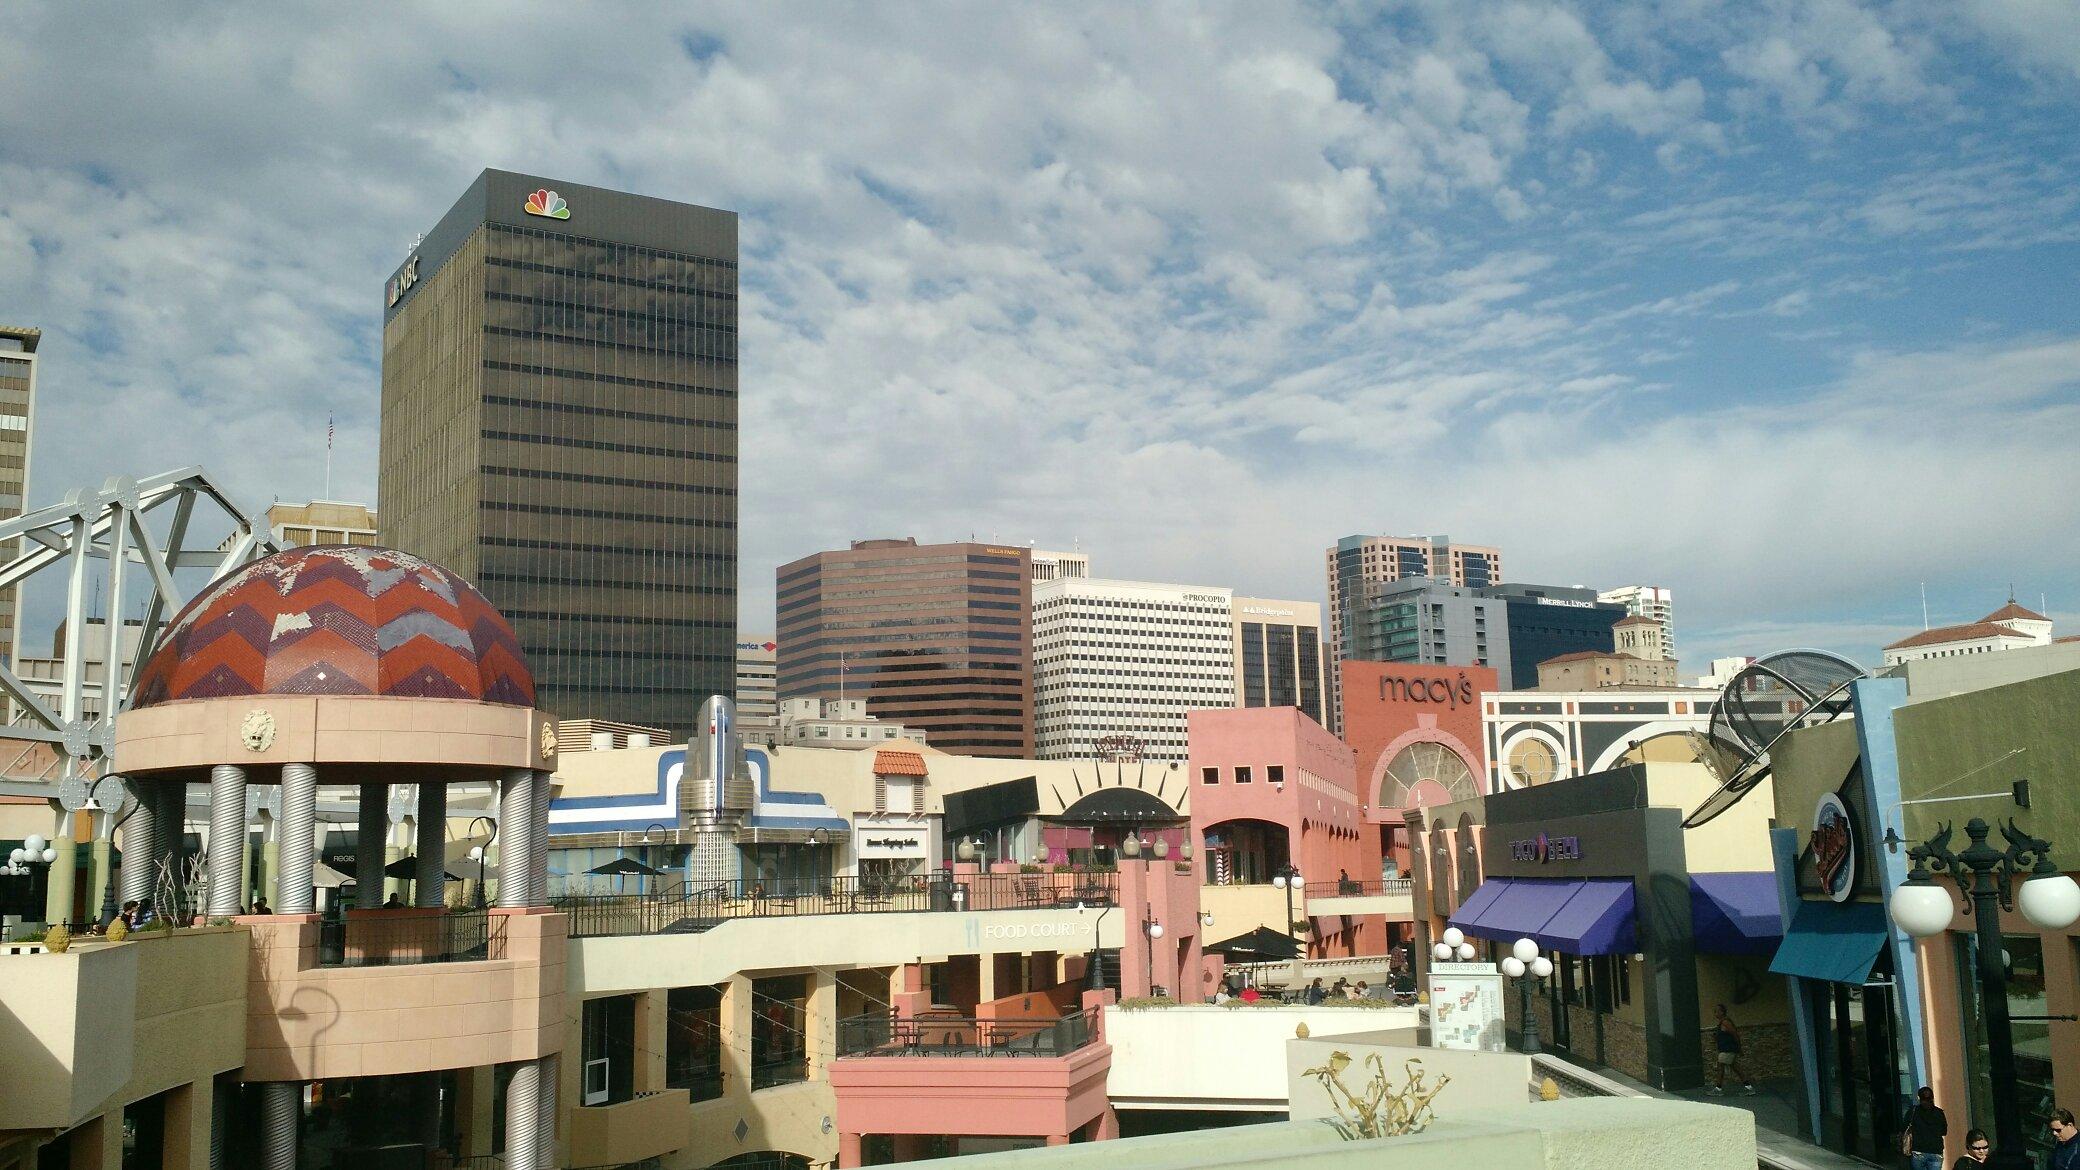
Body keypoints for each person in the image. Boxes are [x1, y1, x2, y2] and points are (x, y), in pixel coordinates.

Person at [1710, 1004, 1756, 1095]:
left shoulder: (1726, 1022)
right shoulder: (1722, 1023)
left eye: (1717, 1011)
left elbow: (1735, 1034)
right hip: (1726, 1048)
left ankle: (1718, 1089)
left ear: (1722, 1012)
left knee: (1721, 1066)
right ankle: (1748, 1087)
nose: (1715, 1013)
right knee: (1735, 1067)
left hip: (1728, 1049)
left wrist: (1739, 1048)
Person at [1902, 1086, 1947, 1170]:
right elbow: (1944, 1131)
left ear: (1919, 1098)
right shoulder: (1939, 1113)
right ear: (1932, 1097)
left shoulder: (1913, 1111)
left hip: (1918, 1150)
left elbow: (1904, 1127)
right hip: (1936, 1150)